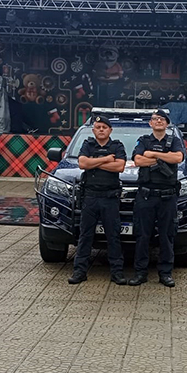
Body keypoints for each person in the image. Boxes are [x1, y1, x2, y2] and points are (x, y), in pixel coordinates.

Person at [68, 115, 127, 285]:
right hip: (90, 197)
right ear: (93, 130)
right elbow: (82, 164)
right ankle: (79, 272)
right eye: (98, 127)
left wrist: (94, 162)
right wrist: (107, 159)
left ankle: (117, 273)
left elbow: (119, 166)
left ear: (110, 130)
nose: (101, 130)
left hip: (110, 198)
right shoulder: (88, 144)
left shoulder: (117, 145)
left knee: (113, 236)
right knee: (85, 236)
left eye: (104, 127)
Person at [129, 109, 185, 287]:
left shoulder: (174, 140)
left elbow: (178, 157)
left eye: (162, 119)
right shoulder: (144, 140)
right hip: (146, 196)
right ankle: (140, 273)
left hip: (167, 197)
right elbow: (138, 160)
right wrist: (163, 158)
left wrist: (153, 155)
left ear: (167, 123)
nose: (158, 121)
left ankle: (165, 273)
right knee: (142, 235)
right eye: (155, 119)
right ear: (150, 123)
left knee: (166, 236)